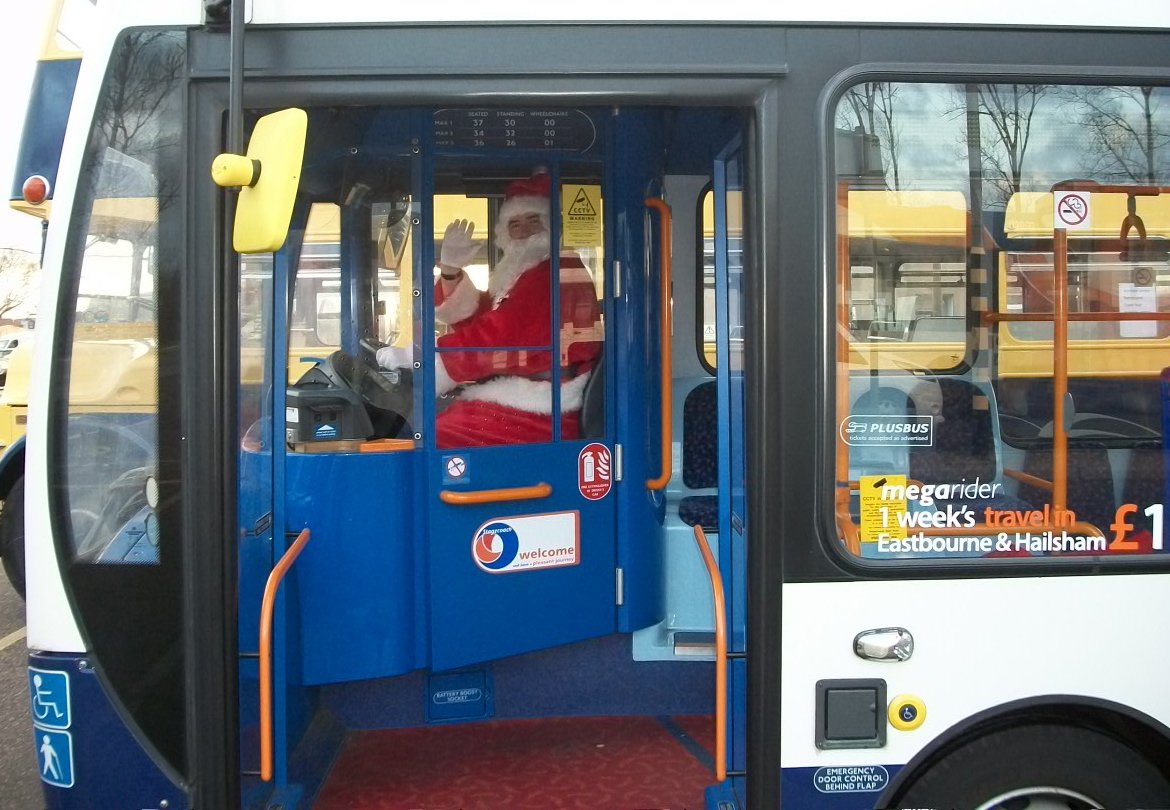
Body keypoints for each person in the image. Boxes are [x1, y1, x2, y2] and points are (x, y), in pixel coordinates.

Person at [378, 171, 602, 447]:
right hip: (531, 393)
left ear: (549, 225)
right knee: (436, 426)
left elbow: (500, 332)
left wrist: (427, 358)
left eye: (533, 221)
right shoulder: (528, 272)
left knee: (432, 439)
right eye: (515, 224)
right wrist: (450, 271)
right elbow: (488, 320)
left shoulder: (555, 271)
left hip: (545, 406)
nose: (523, 231)